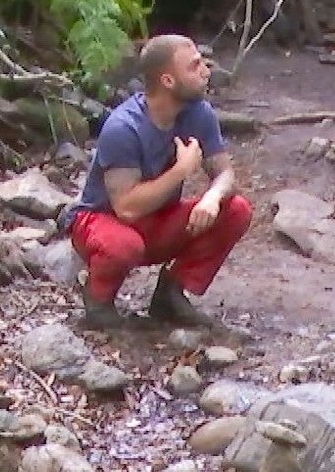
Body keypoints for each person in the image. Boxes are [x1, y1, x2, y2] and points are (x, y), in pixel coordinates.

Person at [63, 34, 253, 330]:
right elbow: (126, 208)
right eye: (194, 67)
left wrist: (212, 197)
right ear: (167, 80)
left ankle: (170, 297)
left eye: (202, 63)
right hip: (101, 221)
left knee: (236, 209)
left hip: (155, 222)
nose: (206, 71)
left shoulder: (198, 113)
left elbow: (225, 174)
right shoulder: (123, 127)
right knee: (123, 245)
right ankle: (98, 303)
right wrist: (180, 171)